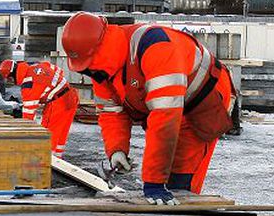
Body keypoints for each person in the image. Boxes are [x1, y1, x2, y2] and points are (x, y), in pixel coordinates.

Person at [61, 12, 235, 205]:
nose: (88, 72)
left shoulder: (155, 46)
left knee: (182, 172)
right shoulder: (101, 69)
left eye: (88, 65)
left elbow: (164, 120)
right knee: (166, 172)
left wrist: (154, 181)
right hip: (171, 104)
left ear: (99, 51)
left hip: (203, 101)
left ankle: (181, 215)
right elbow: (112, 113)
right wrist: (117, 149)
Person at [0, 59, 79, 158]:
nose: (12, 82)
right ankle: (58, 159)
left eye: (10, 79)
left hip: (58, 103)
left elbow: (28, 116)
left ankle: (46, 160)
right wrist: (46, 93)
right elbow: (58, 71)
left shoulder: (28, 84)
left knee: (48, 134)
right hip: (71, 96)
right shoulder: (36, 66)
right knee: (61, 133)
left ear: (13, 74)